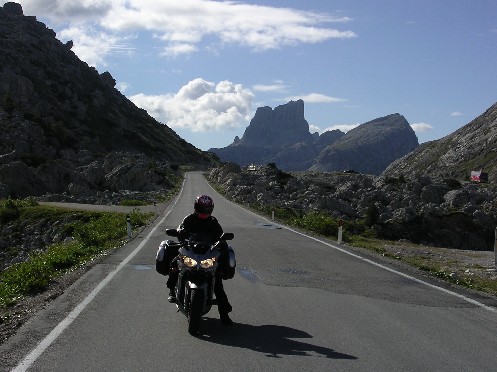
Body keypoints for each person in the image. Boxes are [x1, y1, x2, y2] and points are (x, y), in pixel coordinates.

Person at [166, 194, 234, 326]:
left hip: (206, 254)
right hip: (191, 251)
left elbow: (221, 238)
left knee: (217, 283)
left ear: (211, 209)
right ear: (196, 208)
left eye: (207, 210)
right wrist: (179, 234)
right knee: (174, 263)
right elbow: (181, 230)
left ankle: (224, 314)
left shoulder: (213, 222)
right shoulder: (189, 219)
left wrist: (222, 243)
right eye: (202, 209)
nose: (204, 213)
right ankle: (171, 290)